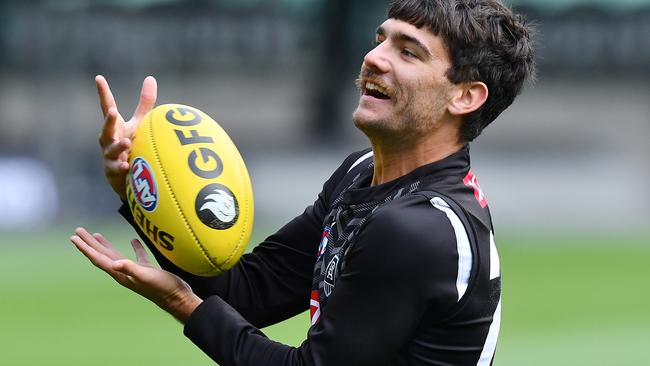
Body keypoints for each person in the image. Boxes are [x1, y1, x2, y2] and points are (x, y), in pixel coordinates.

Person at [71, 0, 535, 365]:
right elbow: (249, 292)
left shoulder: (418, 230)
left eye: (408, 51)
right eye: (381, 40)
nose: (374, 58)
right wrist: (141, 186)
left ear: (466, 96)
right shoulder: (361, 174)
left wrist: (183, 305)